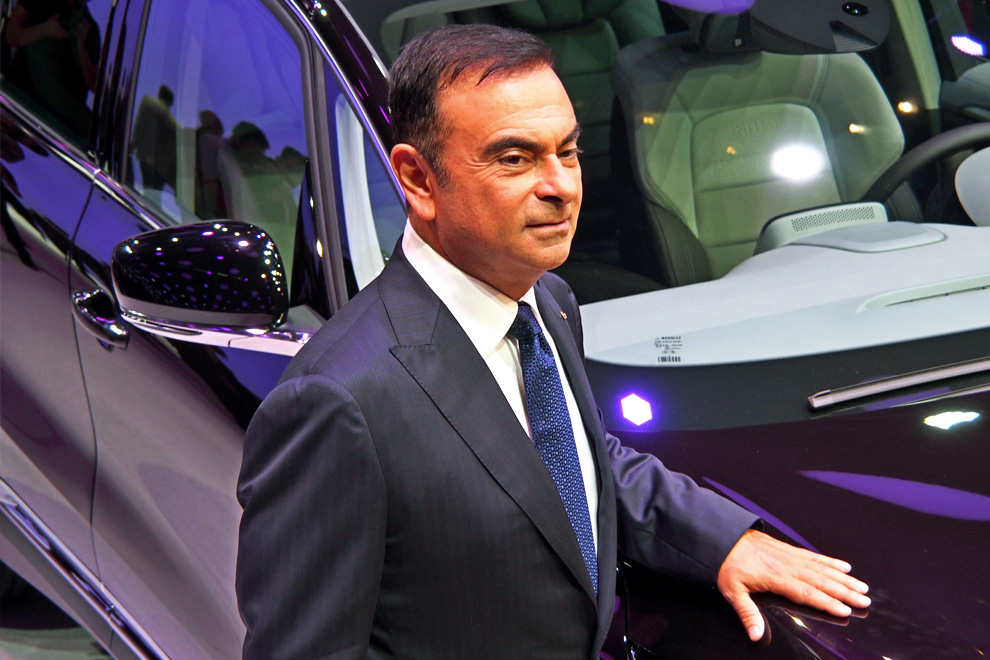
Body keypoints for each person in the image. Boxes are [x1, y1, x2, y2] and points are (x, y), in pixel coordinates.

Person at [236, 24, 870, 659]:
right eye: (514, 159)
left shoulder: (548, 301)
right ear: (419, 179)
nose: (562, 186)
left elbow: (573, 460)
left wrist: (720, 540)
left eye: (567, 151)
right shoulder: (336, 399)